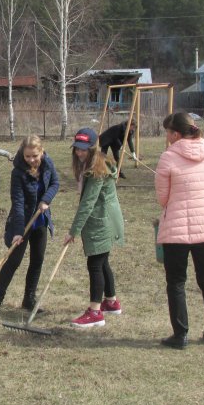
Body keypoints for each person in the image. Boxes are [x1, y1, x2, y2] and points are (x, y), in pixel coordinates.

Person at [155, 112, 204, 349]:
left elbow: (163, 198)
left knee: (176, 281)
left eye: (168, 132)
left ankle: (180, 335)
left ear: (176, 134)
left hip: (178, 226)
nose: (167, 137)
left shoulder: (168, 158)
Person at [0, 135, 59, 318]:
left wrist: (46, 200)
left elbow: (55, 183)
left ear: (41, 152)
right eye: (27, 156)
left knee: (37, 259)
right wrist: (18, 232)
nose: (31, 160)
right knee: (13, 261)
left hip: (40, 219)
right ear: (22, 154)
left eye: (34, 156)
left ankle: (29, 299)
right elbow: (17, 202)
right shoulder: (18, 172)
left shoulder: (47, 163)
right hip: (22, 219)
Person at [64, 128, 124, 328]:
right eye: (77, 149)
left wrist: (73, 231)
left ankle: (95, 312)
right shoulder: (90, 165)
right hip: (104, 219)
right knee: (103, 261)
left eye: (83, 150)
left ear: (92, 148)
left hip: (101, 222)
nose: (79, 153)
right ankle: (111, 302)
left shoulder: (97, 170)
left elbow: (88, 203)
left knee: (95, 264)